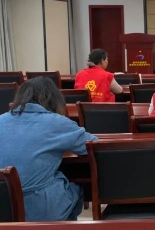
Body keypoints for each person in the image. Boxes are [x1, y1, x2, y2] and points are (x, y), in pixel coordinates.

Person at [0, 77, 98, 222]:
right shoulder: (57, 122)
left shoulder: (1, 119)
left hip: (3, 207)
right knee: (76, 188)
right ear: (55, 100)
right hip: (38, 209)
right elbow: (94, 146)